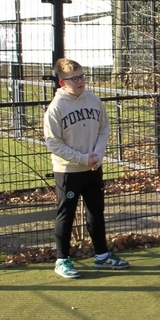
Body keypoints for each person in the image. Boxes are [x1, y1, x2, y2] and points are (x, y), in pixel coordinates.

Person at [44, 58, 130, 279]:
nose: (80, 81)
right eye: (74, 79)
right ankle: (62, 259)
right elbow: (53, 143)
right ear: (63, 82)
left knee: (96, 211)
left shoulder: (94, 100)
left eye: (82, 76)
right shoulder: (56, 108)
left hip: (93, 167)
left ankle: (102, 255)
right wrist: (82, 158)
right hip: (68, 170)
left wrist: (97, 155)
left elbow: (103, 129)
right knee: (66, 213)